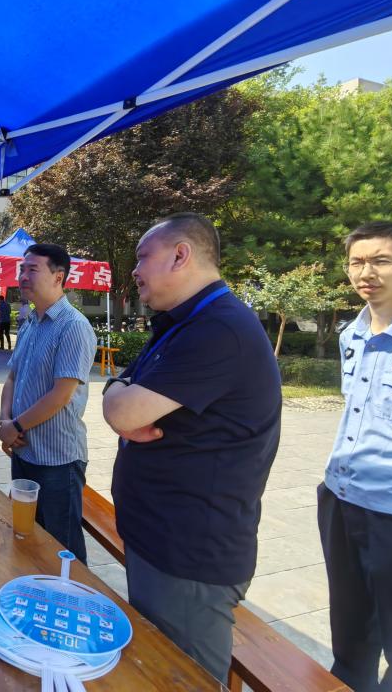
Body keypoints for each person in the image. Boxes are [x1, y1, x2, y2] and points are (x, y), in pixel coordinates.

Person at [102, 212, 280, 684]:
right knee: (156, 669)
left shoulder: (218, 329)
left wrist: (120, 398)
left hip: (188, 554)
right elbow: (120, 391)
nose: (134, 270)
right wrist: (119, 393)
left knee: (184, 678)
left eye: (143, 257)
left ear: (181, 255)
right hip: (160, 539)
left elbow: (122, 411)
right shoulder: (183, 323)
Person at [318, 221, 392, 692]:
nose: (367, 272)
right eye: (357, 262)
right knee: (350, 639)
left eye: (382, 260)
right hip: (341, 501)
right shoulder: (353, 335)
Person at [0, 244, 96, 562]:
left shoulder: (73, 326)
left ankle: (73, 593)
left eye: (32, 269)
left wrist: (16, 425)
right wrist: (5, 422)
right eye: (21, 269)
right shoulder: (30, 323)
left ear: (58, 276)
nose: (23, 276)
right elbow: (12, 378)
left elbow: (60, 395)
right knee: (28, 536)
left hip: (57, 459)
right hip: (24, 451)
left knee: (63, 550)